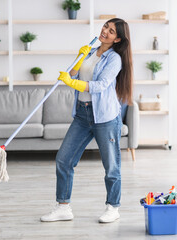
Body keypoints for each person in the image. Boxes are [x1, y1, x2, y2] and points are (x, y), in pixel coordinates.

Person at [40, 18, 133, 223]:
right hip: (82, 115)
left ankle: (113, 207)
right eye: (105, 27)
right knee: (64, 159)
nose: (105, 32)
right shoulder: (91, 52)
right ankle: (63, 207)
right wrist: (79, 57)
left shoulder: (114, 59)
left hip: (106, 118)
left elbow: (100, 86)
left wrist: (72, 82)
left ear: (117, 38)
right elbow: (72, 72)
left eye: (111, 31)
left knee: (111, 166)